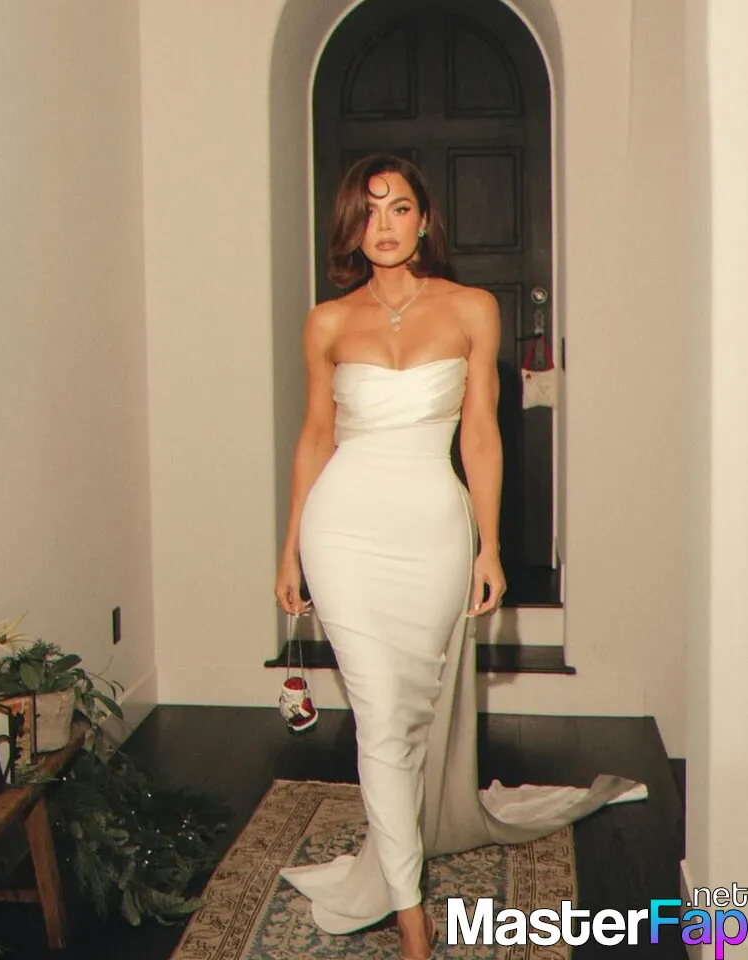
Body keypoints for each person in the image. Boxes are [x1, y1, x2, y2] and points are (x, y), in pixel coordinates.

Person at [273, 154, 642, 960]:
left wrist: (490, 545)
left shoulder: (472, 309)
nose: (384, 225)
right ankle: (411, 918)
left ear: (425, 221)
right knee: (378, 716)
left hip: (433, 530)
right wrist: (291, 544)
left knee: (409, 714)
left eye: (399, 207)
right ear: (350, 227)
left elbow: (480, 435)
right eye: (368, 210)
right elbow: (314, 437)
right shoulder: (326, 322)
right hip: (342, 530)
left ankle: (398, 850)